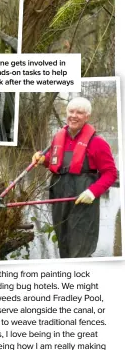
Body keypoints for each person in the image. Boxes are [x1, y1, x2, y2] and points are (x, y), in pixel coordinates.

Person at [32, 97, 117, 258]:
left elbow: (111, 173)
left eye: (80, 112)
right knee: (63, 238)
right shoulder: (58, 138)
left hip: (83, 197)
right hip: (59, 193)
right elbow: (55, 161)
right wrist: (43, 159)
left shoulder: (98, 143)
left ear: (87, 116)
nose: (74, 115)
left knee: (80, 244)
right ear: (66, 113)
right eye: (71, 111)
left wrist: (92, 192)